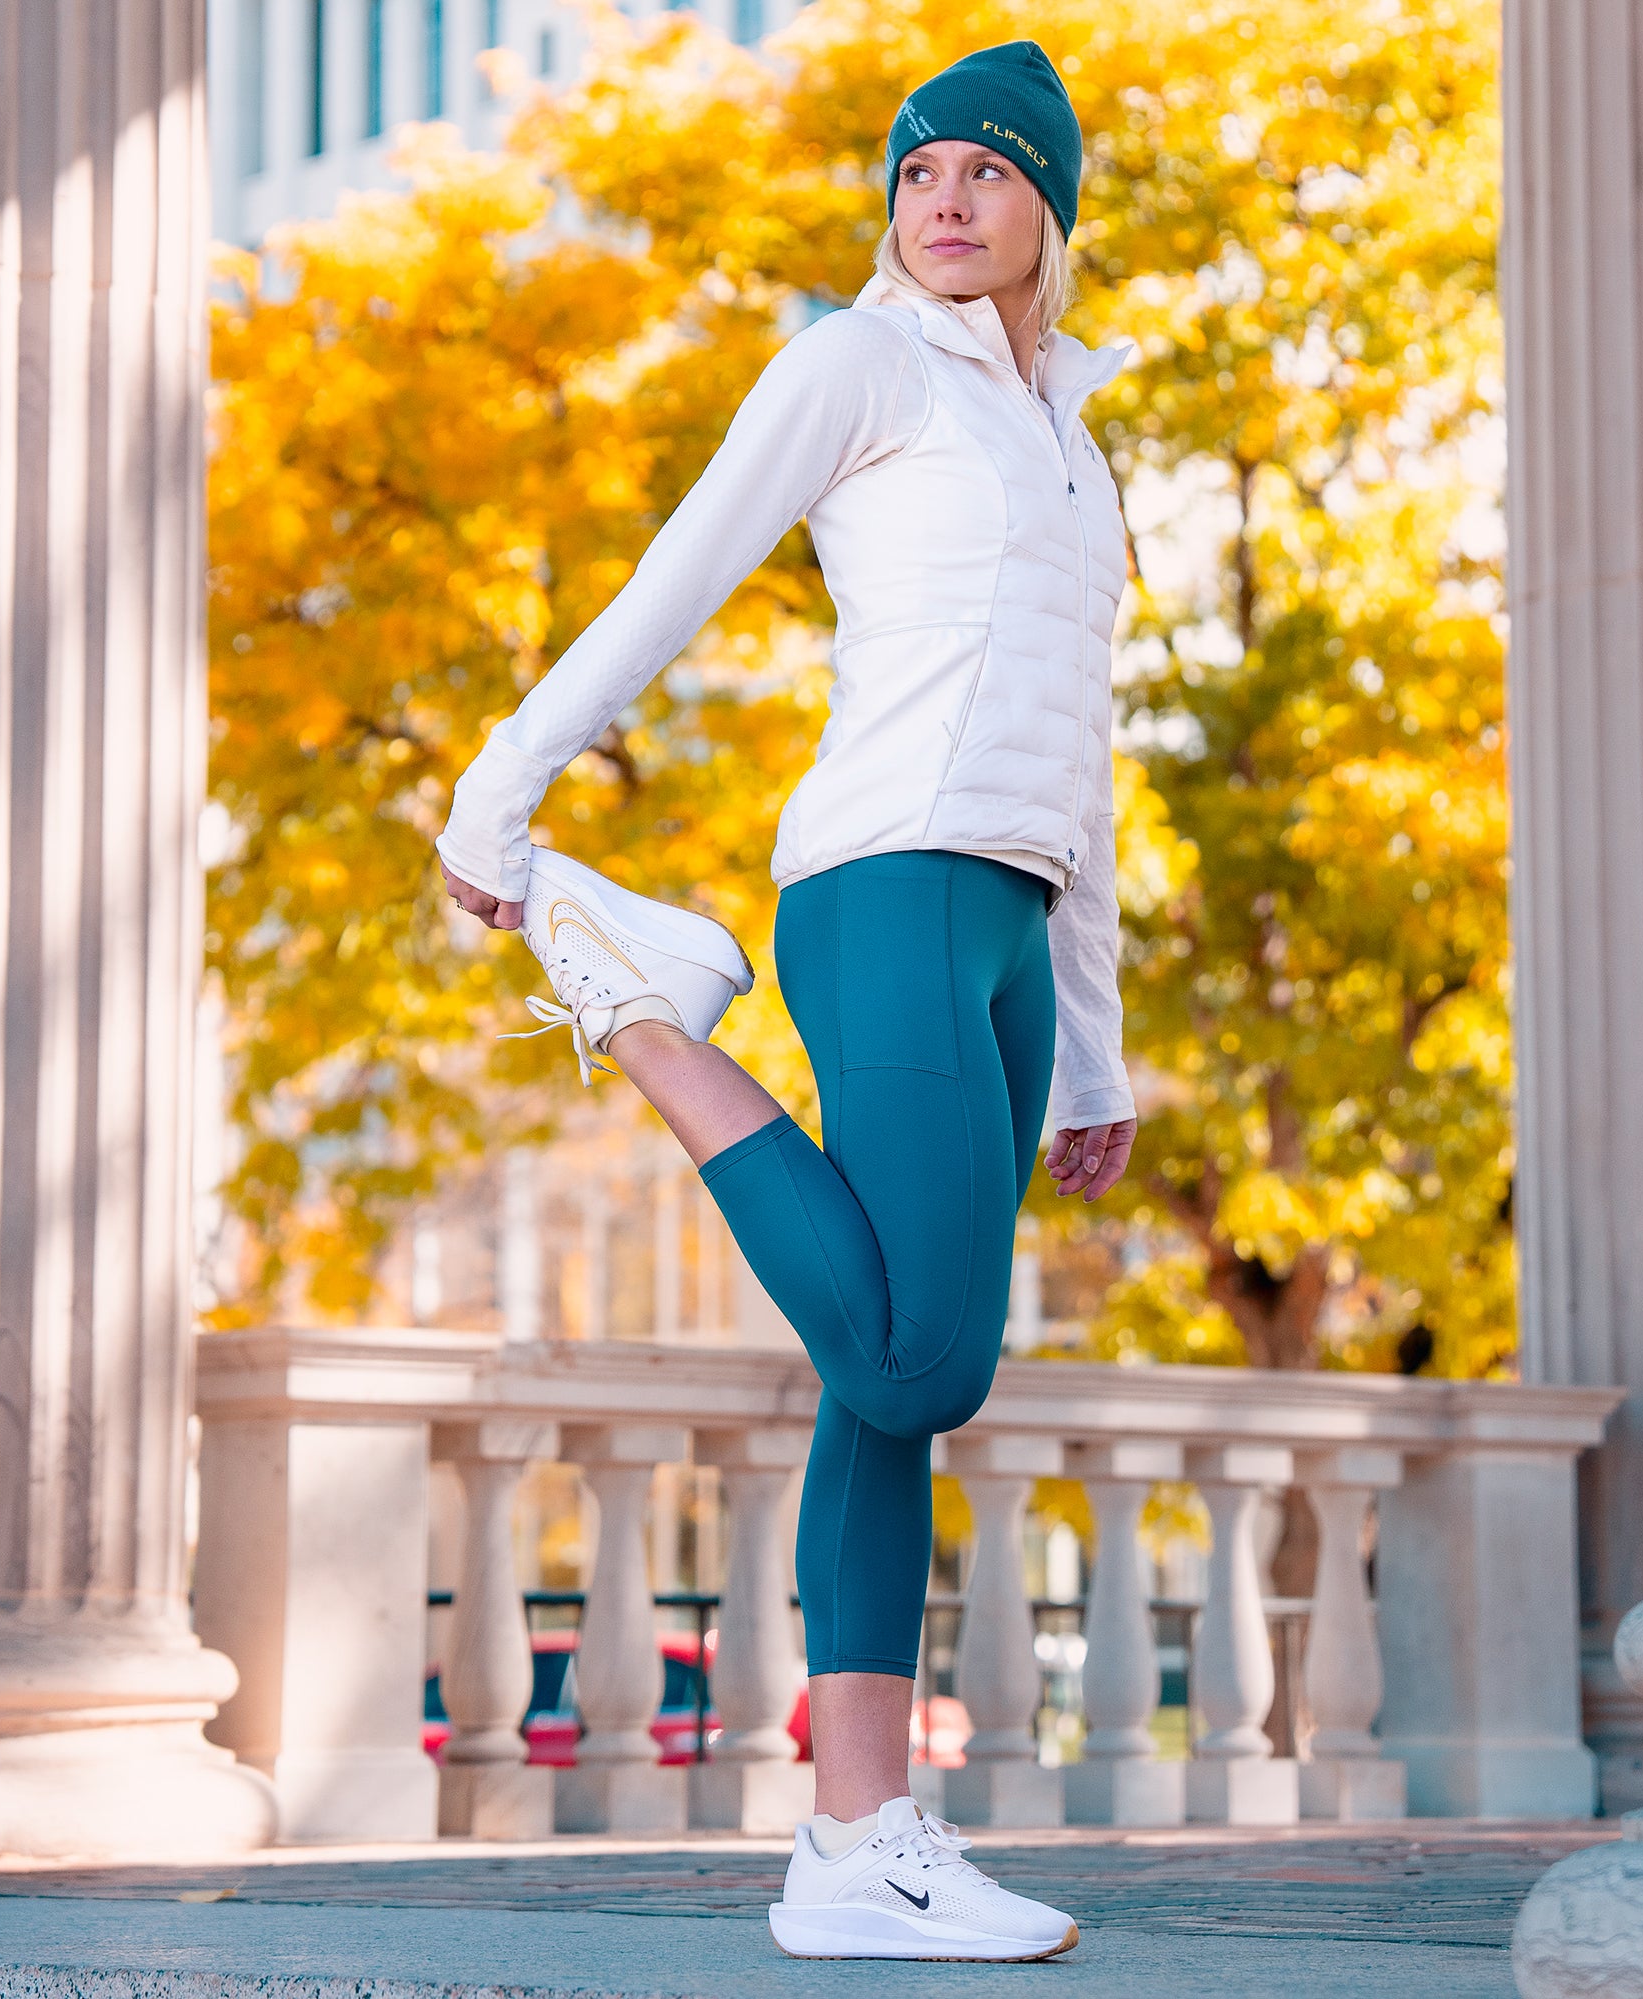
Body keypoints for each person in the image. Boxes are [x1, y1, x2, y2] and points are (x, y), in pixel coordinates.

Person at [437, 40, 1136, 1963]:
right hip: (884, 884)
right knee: (923, 1365)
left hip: (1010, 925)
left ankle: (856, 1850)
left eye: (990, 171)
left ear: (1049, 210)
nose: (946, 199)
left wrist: (1094, 1040)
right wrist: (503, 788)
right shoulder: (856, 366)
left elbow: (1083, 753)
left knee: (877, 1394)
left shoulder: (1074, 440)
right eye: (920, 171)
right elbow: (681, 574)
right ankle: (637, 1006)